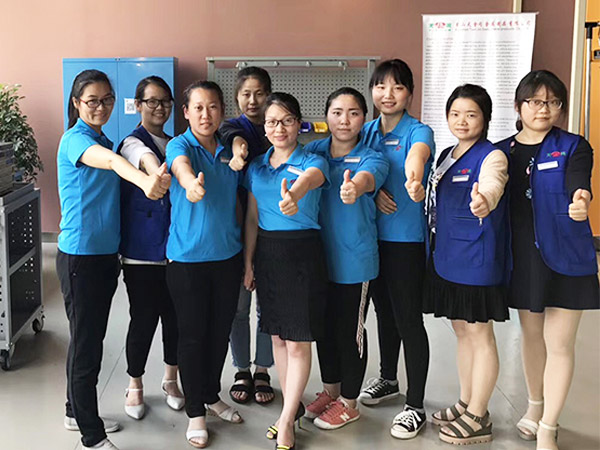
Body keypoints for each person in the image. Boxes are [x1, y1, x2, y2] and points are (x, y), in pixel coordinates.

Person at [57, 69, 169, 450]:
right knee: (86, 346)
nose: (101, 107)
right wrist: (145, 181)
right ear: (76, 103)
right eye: (93, 101)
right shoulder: (76, 140)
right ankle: (91, 435)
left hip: (104, 257)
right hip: (81, 257)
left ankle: (76, 412)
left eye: (107, 100)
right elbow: (111, 163)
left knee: (89, 340)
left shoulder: (102, 136)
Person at [496, 70, 599, 450]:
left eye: (553, 102)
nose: (544, 109)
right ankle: (534, 405)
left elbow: (579, 182)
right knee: (531, 336)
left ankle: (548, 427)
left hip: (567, 255)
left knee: (560, 343)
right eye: (536, 102)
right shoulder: (501, 151)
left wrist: (581, 200)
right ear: (518, 106)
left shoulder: (574, 146)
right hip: (523, 257)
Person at [423, 84, 510, 445]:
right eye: (455, 114)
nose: (462, 121)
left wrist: (484, 200)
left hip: (476, 258)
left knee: (479, 334)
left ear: (485, 118)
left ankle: (479, 415)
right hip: (448, 256)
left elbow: (493, 184)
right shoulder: (447, 155)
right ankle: (466, 400)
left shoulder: (492, 156)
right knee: (461, 330)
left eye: (471, 114)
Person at [243, 92, 329, 450]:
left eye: (287, 121)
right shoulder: (256, 166)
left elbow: (311, 179)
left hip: (302, 254)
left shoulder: (314, 160)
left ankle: (287, 419)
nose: (280, 128)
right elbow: (251, 218)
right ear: (264, 127)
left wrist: (294, 193)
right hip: (268, 254)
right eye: (272, 122)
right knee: (277, 337)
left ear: (299, 124)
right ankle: (289, 410)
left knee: (298, 341)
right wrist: (248, 262)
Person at [303, 87, 389, 430]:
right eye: (337, 112)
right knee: (324, 329)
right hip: (318, 261)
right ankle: (331, 391)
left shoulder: (372, 157)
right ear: (326, 116)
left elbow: (368, 179)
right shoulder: (313, 152)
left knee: (349, 332)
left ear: (364, 119)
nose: (344, 120)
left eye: (353, 113)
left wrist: (357, 187)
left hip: (355, 262)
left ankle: (350, 402)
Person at [358, 59, 435, 439]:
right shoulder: (365, 131)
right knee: (383, 313)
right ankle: (388, 378)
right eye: (381, 86)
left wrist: (414, 180)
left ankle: (415, 405)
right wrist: (371, 194)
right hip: (370, 239)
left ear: (410, 94)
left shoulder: (418, 131)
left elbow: (417, 157)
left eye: (397, 87)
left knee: (408, 319)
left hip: (404, 241)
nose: (388, 94)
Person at [165, 81, 244, 448]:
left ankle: (211, 395)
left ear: (222, 111)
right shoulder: (179, 146)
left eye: (212, 107)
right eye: (197, 107)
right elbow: (180, 167)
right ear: (186, 112)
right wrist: (188, 184)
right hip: (187, 260)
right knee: (193, 335)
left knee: (219, 332)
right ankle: (195, 410)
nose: (205, 114)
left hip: (227, 258)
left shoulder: (231, 151)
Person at [117, 76, 184, 420]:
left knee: (175, 318)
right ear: (138, 105)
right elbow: (142, 158)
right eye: (152, 101)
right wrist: (155, 174)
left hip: (175, 249)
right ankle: (135, 384)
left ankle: (171, 380)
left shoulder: (175, 144)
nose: (159, 108)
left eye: (165, 101)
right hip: (141, 250)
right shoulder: (131, 142)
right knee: (143, 318)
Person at [219, 67, 275, 405]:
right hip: (236, 230)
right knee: (239, 307)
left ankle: (263, 369)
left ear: (268, 94)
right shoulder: (230, 127)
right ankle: (242, 368)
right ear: (236, 97)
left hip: (272, 230)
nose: (253, 100)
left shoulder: (276, 127)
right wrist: (240, 152)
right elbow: (234, 139)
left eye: (259, 93)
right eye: (246, 94)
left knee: (267, 308)